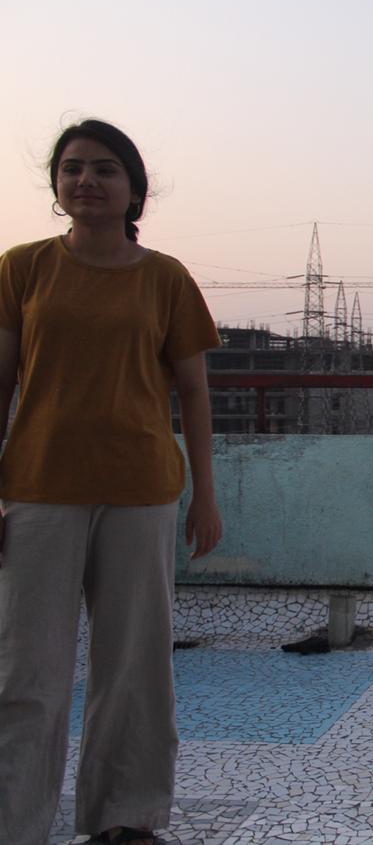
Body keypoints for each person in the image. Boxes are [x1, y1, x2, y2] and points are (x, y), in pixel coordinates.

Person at [0, 120, 222, 845]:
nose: (85, 181)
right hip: (38, 489)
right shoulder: (22, 269)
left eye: (103, 170)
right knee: (26, 670)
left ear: (133, 190)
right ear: (56, 184)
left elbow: (192, 391)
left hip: (141, 492)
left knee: (134, 666)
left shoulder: (165, 278)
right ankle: (16, 821)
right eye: (71, 169)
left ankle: (125, 818)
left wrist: (206, 497)